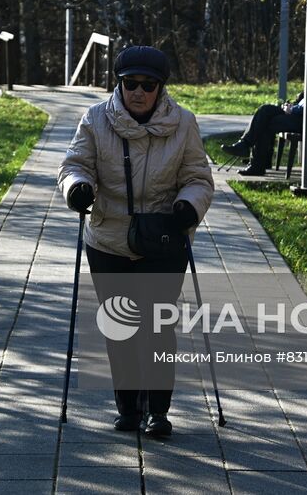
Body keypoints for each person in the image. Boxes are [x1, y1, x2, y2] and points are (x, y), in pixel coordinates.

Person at [57, 44, 215, 438]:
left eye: (148, 84)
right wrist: (77, 188)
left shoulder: (183, 123)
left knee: (159, 327)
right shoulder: (95, 120)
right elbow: (75, 165)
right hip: (109, 239)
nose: (138, 92)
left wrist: (188, 207)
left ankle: (158, 412)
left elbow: (198, 178)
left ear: (161, 88)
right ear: (120, 84)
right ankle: (128, 409)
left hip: (164, 238)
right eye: (130, 84)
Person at [222, 47, 307, 176]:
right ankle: (249, 151)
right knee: (266, 110)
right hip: (305, 119)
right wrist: (293, 105)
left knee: (266, 122)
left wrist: (292, 110)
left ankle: (253, 159)